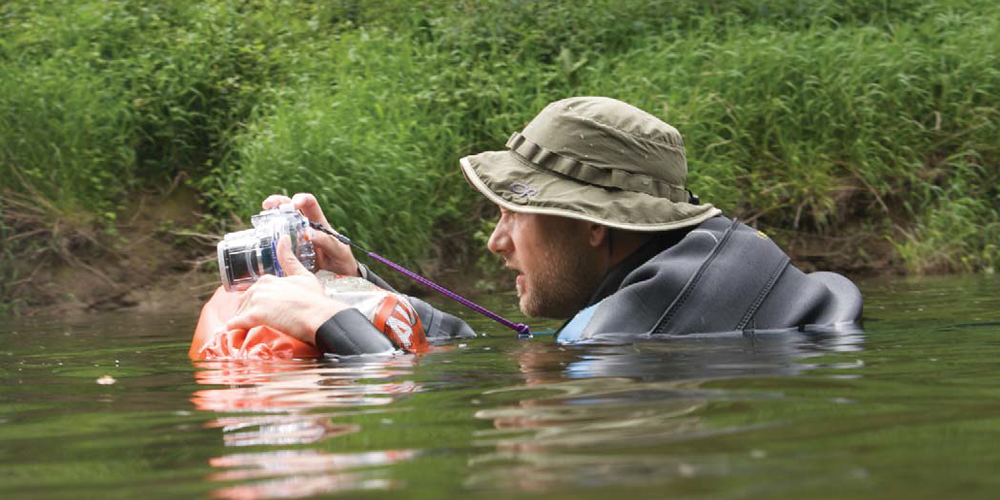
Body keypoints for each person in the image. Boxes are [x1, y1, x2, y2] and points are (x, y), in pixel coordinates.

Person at [227, 96, 862, 355]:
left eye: (511, 213)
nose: (495, 241)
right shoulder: (710, 263)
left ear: (589, 223)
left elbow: (572, 356)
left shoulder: (626, 344)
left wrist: (325, 323)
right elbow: (519, 348)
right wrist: (358, 288)